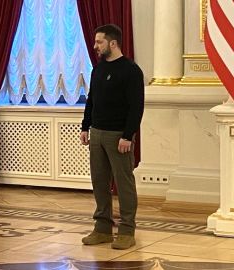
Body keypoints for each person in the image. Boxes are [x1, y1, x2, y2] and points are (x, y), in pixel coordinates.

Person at [80, 24, 144, 250]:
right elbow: (91, 100)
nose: (95, 46)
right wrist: (85, 127)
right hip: (97, 133)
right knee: (99, 182)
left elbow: (136, 107)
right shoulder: (97, 69)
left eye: (99, 42)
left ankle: (127, 231)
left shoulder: (131, 70)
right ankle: (102, 229)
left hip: (119, 137)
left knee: (124, 184)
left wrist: (128, 136)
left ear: (113, 43)